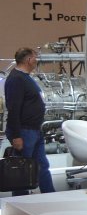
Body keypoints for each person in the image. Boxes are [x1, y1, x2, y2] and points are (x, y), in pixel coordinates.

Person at [4, 47, 54, 195]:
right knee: (23, 169)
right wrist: (16, 136)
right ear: (29, 60)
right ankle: (21, 201)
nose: (36, 61)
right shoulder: (16, 79)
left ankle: (50, 195)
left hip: (34, 130)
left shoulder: (26, 78)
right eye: (35, 58)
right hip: (24, 132)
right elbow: (13, 109)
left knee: (42, 166)